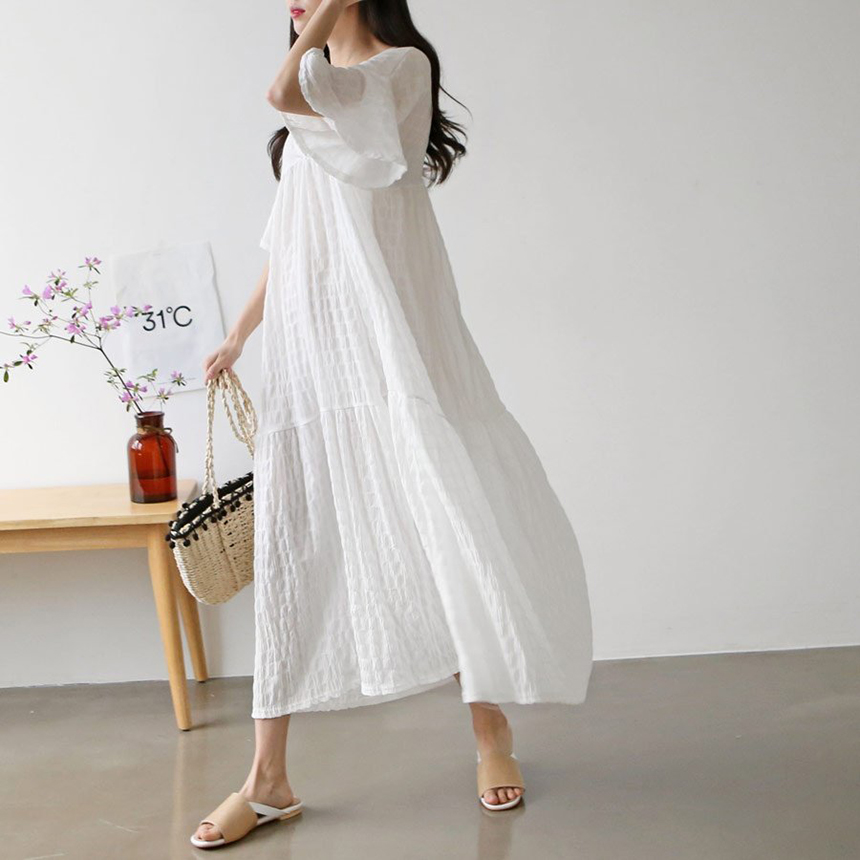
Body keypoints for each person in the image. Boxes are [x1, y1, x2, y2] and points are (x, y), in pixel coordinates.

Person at [193, 0, 593, 847]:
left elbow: (283, 90)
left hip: (396, 346)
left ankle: (491, 733)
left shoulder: (398, 72)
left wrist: (324, 18)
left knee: (439, 524)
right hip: (316, 355)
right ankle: (267, 780)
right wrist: (238, 335)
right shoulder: (320, 89)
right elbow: (290, 239)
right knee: (294, 544)